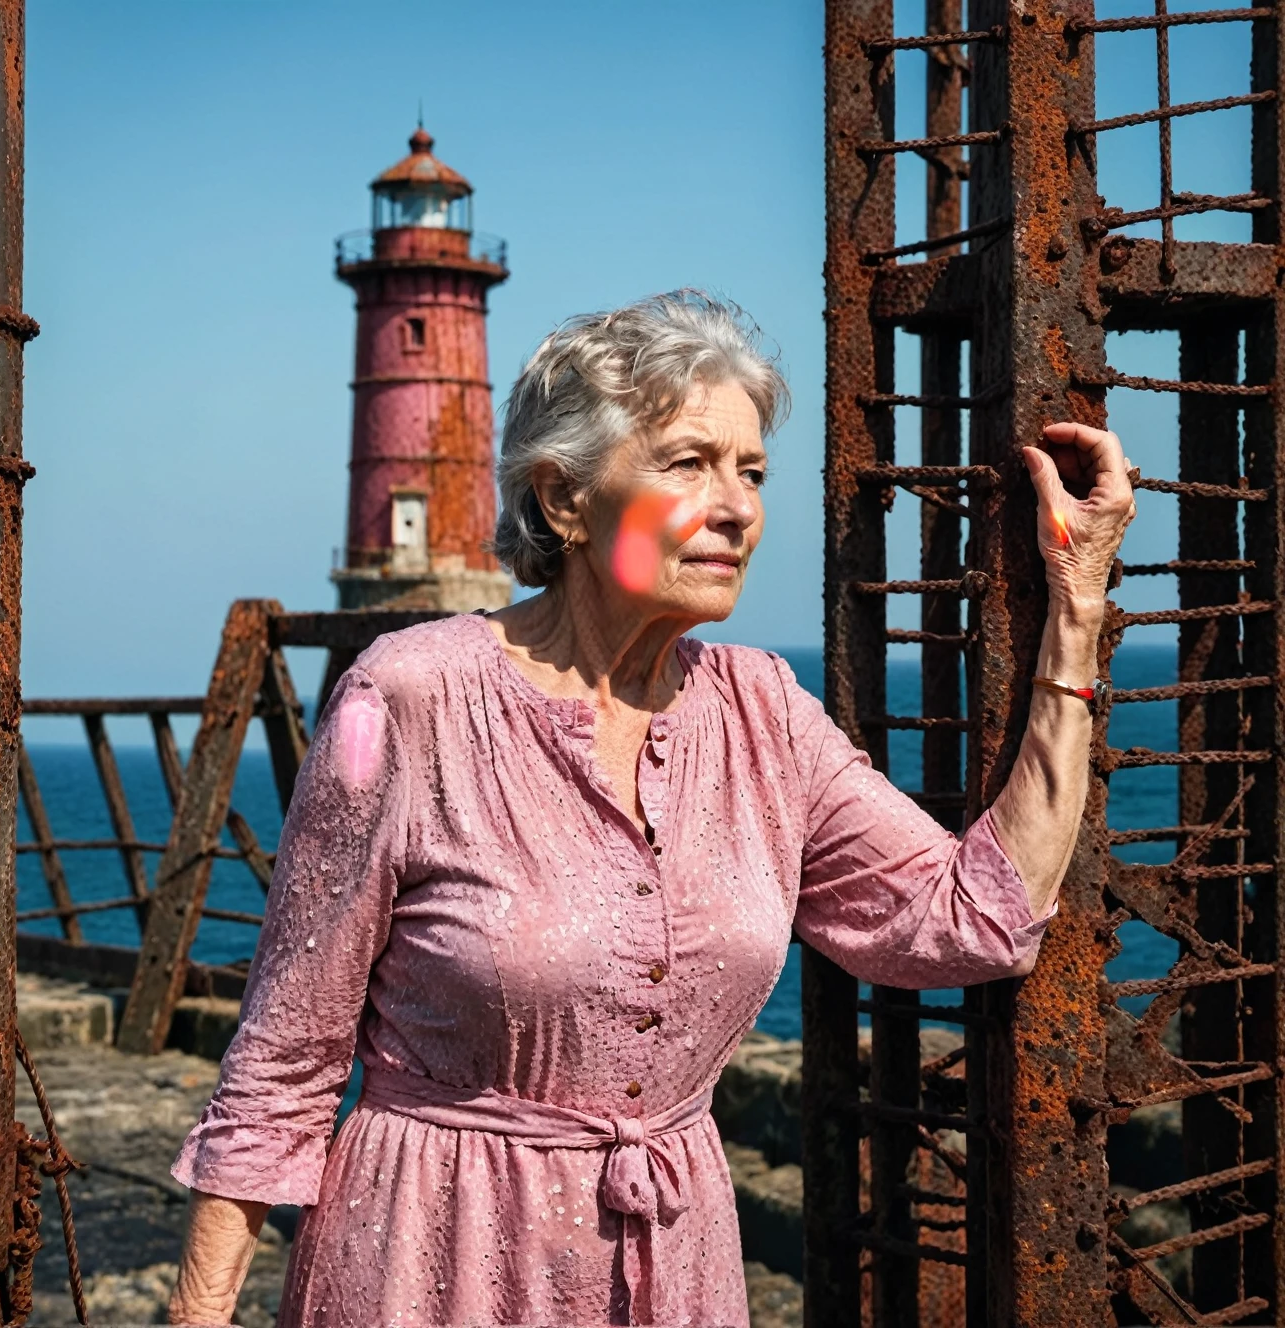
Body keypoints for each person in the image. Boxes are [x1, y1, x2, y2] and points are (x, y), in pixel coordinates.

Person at [167, 291, 1135, 1327]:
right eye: (685, 462)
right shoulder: (407, 696)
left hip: (670, 1269)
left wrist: (1074, 609)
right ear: (564, 498)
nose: (736, 507)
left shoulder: (760, 710)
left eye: (750, 471)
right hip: (432, 1262)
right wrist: (198, 1314)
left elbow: (975, 916)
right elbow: (283, 1061)